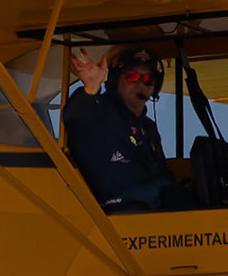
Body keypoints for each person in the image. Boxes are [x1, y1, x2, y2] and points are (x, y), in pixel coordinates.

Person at [64, 46, 196, 213]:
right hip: (118, 218)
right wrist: (90, 87)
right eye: (133, 77)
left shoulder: (148, 128)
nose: (141, 84)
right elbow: (75, 117)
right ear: (117, 80)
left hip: (153, 216)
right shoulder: (100, 114)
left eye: (148, 80)